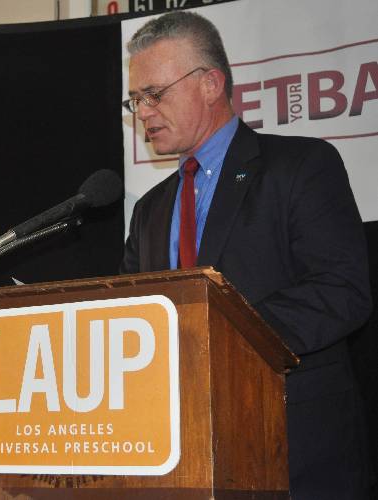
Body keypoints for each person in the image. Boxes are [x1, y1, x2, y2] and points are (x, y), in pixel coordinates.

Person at [119, 11, 372, 499]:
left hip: (292, 447)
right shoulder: (149, 210)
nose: (144, 112)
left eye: (155, 94)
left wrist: (219, 331)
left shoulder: (301, 166)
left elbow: (342, 291)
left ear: (210, 84)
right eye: (135, 100)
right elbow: (135, 317)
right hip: (182, 456)